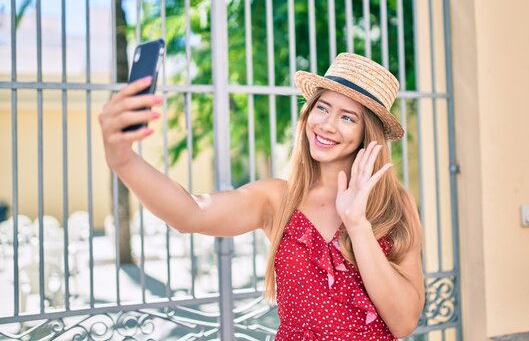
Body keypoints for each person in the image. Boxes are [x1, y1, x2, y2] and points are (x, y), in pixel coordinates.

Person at [99, 52, 424, 340]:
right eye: (322, 108)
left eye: (347, 117)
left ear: (367, 133)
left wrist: (357, 225)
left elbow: (405, 322)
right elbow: (191, 214)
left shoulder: (395, 206)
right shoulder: (278, 199)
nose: (327, 125)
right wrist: (123, 160)